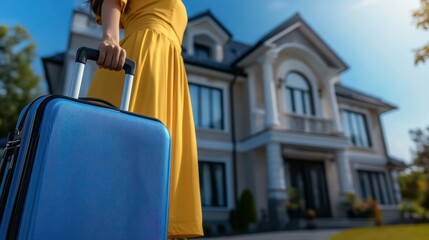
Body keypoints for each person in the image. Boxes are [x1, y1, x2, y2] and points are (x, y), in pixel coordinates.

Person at [86, 0, 203, 238]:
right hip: (144, 59)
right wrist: (110, 38)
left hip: (170, 73)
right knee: (131, 163)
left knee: (159, 165)